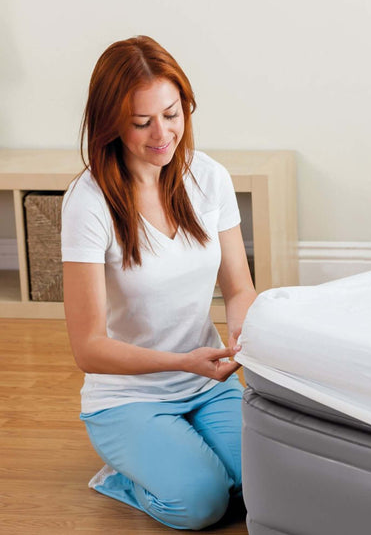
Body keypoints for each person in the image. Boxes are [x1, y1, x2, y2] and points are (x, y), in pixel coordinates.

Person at [61, 35, 257, 530]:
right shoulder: (88, 203)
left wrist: (241, 340)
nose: (162, 135)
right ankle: (120, 478)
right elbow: (88, 348)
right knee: (202, 505)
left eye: (172, 114)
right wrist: (182, 362)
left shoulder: (208, 178)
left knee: (265, 485)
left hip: (209, 384)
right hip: (128, 398)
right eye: (141, 122)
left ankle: (186, 461)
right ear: (111, 125)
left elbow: (238, 289)